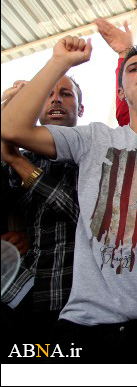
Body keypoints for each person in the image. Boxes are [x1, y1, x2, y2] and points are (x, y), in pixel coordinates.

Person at [1, 37, 137, 363]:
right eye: (133, 69)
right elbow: (10, 128)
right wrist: (60, 62)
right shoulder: (94, 137)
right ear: (121, 93)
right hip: (86, 322)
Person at [1, 77, 80, 360]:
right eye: (47, 94)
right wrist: (8, 106)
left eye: (66, 93)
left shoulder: (90, 155)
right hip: (23, 295)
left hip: (75, 301)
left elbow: (79, 213)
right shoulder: (19, 155)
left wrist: (17, 162)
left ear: (81, 109)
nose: (56, 99)